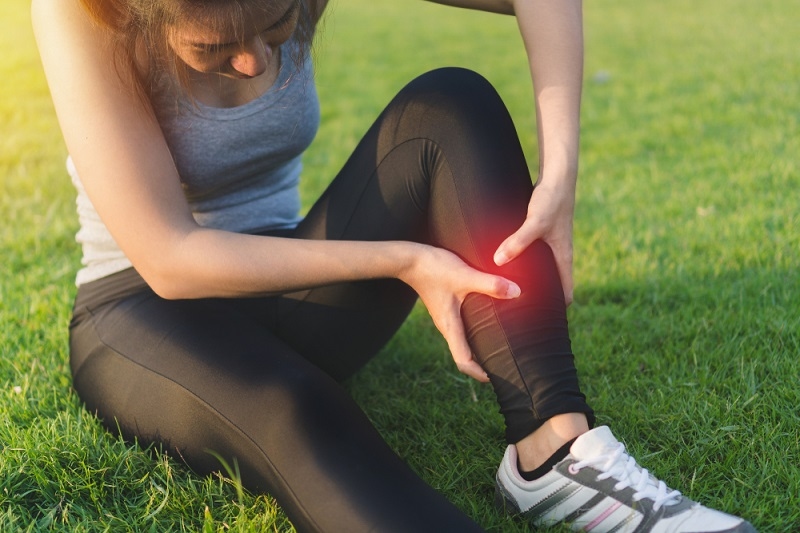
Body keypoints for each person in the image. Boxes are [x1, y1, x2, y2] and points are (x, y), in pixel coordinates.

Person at [32, 0, 755, 531]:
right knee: (295, 408)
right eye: (210, 46)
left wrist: (561, 165)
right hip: (142, 310)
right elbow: (170, 258)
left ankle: (554, 454)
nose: (253, 61)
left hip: (285, 283)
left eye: (278, 24)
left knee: (449, 105)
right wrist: (408, 257)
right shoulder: (84, 11)